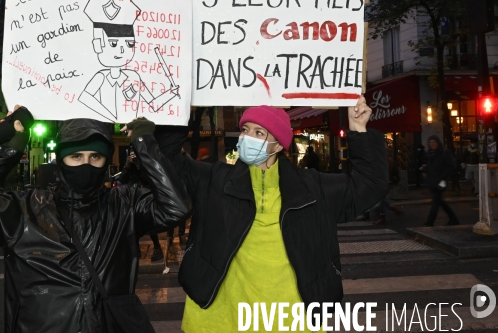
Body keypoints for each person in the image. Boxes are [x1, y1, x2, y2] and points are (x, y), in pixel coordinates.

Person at [0, 109, 191, 332]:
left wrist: (145, 145)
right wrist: (4, 154)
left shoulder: (123, 205)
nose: (86, 164)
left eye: (95, 157)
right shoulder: (23, 209)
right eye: (76, 156)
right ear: (62, 159)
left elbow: (175, 208)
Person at [154, 97, 388, 332]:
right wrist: (177, 109)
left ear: (278, 146)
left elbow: (369, 185)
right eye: (245, 130)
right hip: (219, 318)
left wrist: (358, 130)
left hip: (291, 319)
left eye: (259, 132)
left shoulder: (312, 188)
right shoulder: (214, 180)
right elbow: (168, 164)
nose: (247, 137)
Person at [423, 135, 460, 227]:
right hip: (432, 181)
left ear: (438, 143)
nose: (432, 144)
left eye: (434, 142)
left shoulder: (444, 153)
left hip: (440, 181)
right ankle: (453, 219)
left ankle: (430, 222)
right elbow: (429, 166)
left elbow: (451, 166)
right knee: (440, 202)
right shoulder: (430, 153)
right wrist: (425, 170)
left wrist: (443, 177)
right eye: (430, 143)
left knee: (435, 202)